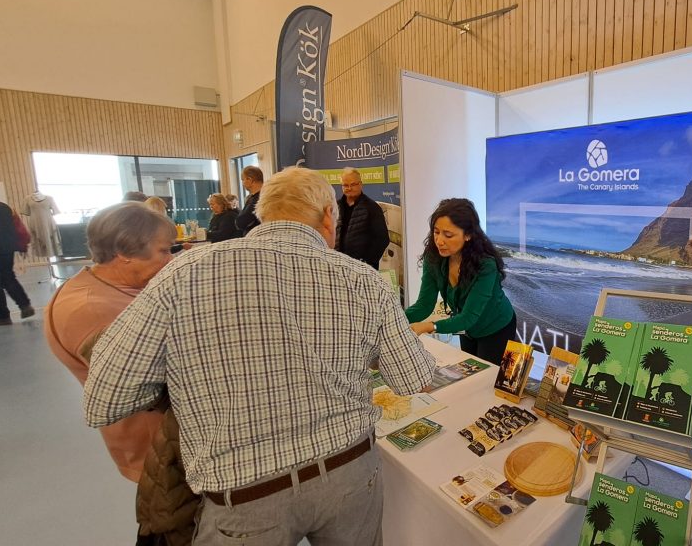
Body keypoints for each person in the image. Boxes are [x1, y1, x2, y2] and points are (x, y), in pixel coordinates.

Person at [85, 167, 435, 545]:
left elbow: (107, 399)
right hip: (348, 472)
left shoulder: (185, 272)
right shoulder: (361, 279)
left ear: (262, 212)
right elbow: (413, 378)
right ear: (328, 215)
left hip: (242, 495)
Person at [44, 202, 197, 543]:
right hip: (159, 450)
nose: (169, 260)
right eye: (162, 251)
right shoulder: (89, 309)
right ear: (123, 253)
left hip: (174, 441)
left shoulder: (121, 288)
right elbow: (142, 383)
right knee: (174, 528)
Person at [405, 198, 517, 365]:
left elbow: (468, 317)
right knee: (472, 373)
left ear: (468, 235)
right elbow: (424, 305)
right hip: (466, 329)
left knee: (487, 381)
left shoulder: (485, 265)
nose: (439, 241)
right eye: (436, 232)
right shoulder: (433, 257)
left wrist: (429, 326)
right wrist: (395, 319)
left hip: (496, 327)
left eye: (448, 235)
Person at [334, 168, 390, 270]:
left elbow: (382, 238)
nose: (349, 188)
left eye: (353, 184)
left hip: (364, 269)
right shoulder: (335, 206)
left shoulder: (372, 208)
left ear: (360, 184)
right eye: (345, 185)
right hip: (339, 266)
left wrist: (367, 262)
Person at [0, 202, 34, 325]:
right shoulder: (6, 207)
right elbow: (19, 228)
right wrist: (23, 245)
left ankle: (2, 317)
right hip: (7, 248)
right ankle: (25, 305)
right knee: (8, 277)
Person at [236, 166, 263, 235]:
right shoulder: (252, 197)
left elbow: (242, 222)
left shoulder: (258, 198)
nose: (242, 183)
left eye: (243, 180)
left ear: (249, 180)